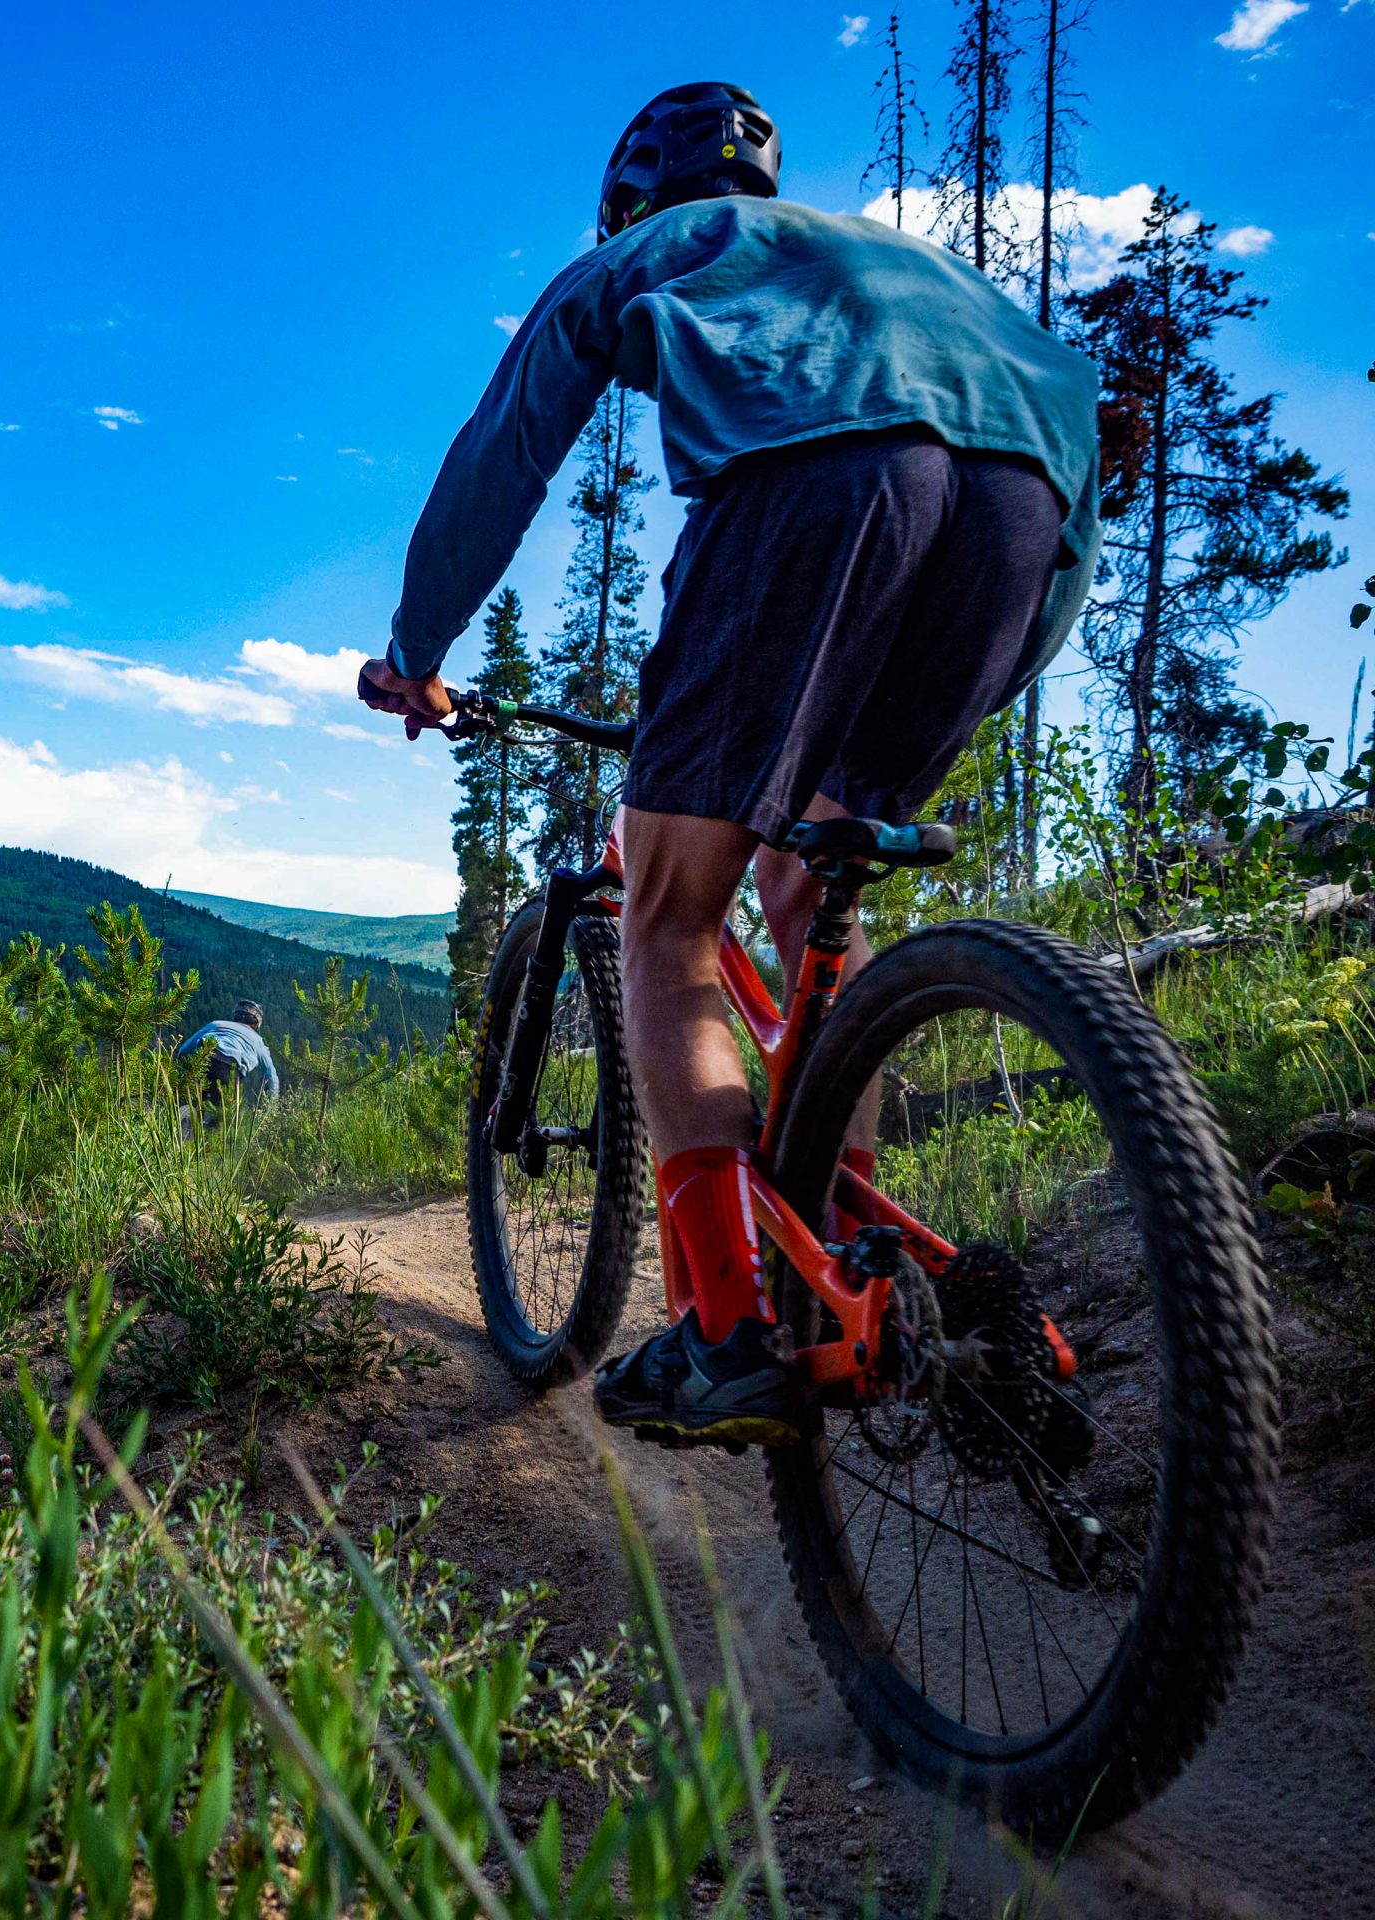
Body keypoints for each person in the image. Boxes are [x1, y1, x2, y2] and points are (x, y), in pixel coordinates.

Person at [359, 82, 1098, 1447]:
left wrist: (415, 647)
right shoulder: (903, 264)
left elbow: (501, 456)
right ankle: (835, 1272)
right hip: (1021, 516)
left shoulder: (642, 254)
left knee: (668, 912)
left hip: (816, 485)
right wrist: (986, 677)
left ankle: (723, 1329)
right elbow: (1064, 484)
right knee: (818, 884)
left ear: (630, 204)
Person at [174, 1000, 280, 1120]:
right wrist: (271, 1107)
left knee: (188, 1104)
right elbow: (271, 1075)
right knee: (221, 1117)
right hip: (228, 1069)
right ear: (256, 1024)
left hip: (201, 1059)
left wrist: (178, 1074)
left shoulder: (215, 1024)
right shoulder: (257, 1040)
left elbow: (183, 1050)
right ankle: (211, 1129)